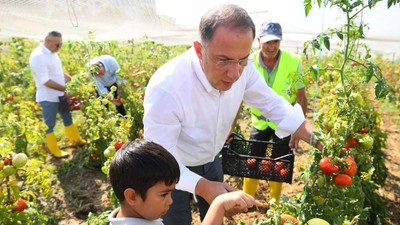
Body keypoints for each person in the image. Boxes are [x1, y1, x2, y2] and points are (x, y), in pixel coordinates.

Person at [143, 4, 323, 225]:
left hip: (211, 160)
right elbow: (160, 158)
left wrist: (316, 138)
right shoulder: (167, 87)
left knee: (215, 215)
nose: (235, 73)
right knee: (176, 219)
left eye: (243, 59)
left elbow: (271, 103)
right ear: (200, 50)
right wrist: (204, 187)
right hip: (174, 167)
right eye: (224, 60)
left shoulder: (243, 70)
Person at [108, 139, 263, 225]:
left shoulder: (132, 217)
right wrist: (219, 204)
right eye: (164, 194)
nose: (170, 201)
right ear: (132, 197)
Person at [242, 21, 308, 204]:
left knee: (279, 165)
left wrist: (297, 128)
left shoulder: (293, 62)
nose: (271, 47)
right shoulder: (248, 61)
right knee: (252, 162)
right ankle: (246, 201)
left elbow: (301, 97)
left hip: (284, 121)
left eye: (275, 42)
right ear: (258, 41)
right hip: (259, 121)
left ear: (280, 42)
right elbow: (238, 96)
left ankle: (275, 205)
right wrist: (229, 126)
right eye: (267, 42)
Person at [29, 31, 86, 158]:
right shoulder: (38, 56)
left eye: (61, 44)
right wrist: (64, 89)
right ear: (48, 41)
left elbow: (58, 72)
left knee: (67, 116)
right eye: (57, 45)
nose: (59, 47)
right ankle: (55, 150)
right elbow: (45, 81)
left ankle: (76, 141)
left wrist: (72, 80)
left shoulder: (52, 53)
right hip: (48, 96)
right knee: (49, 124)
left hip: (59, 94)